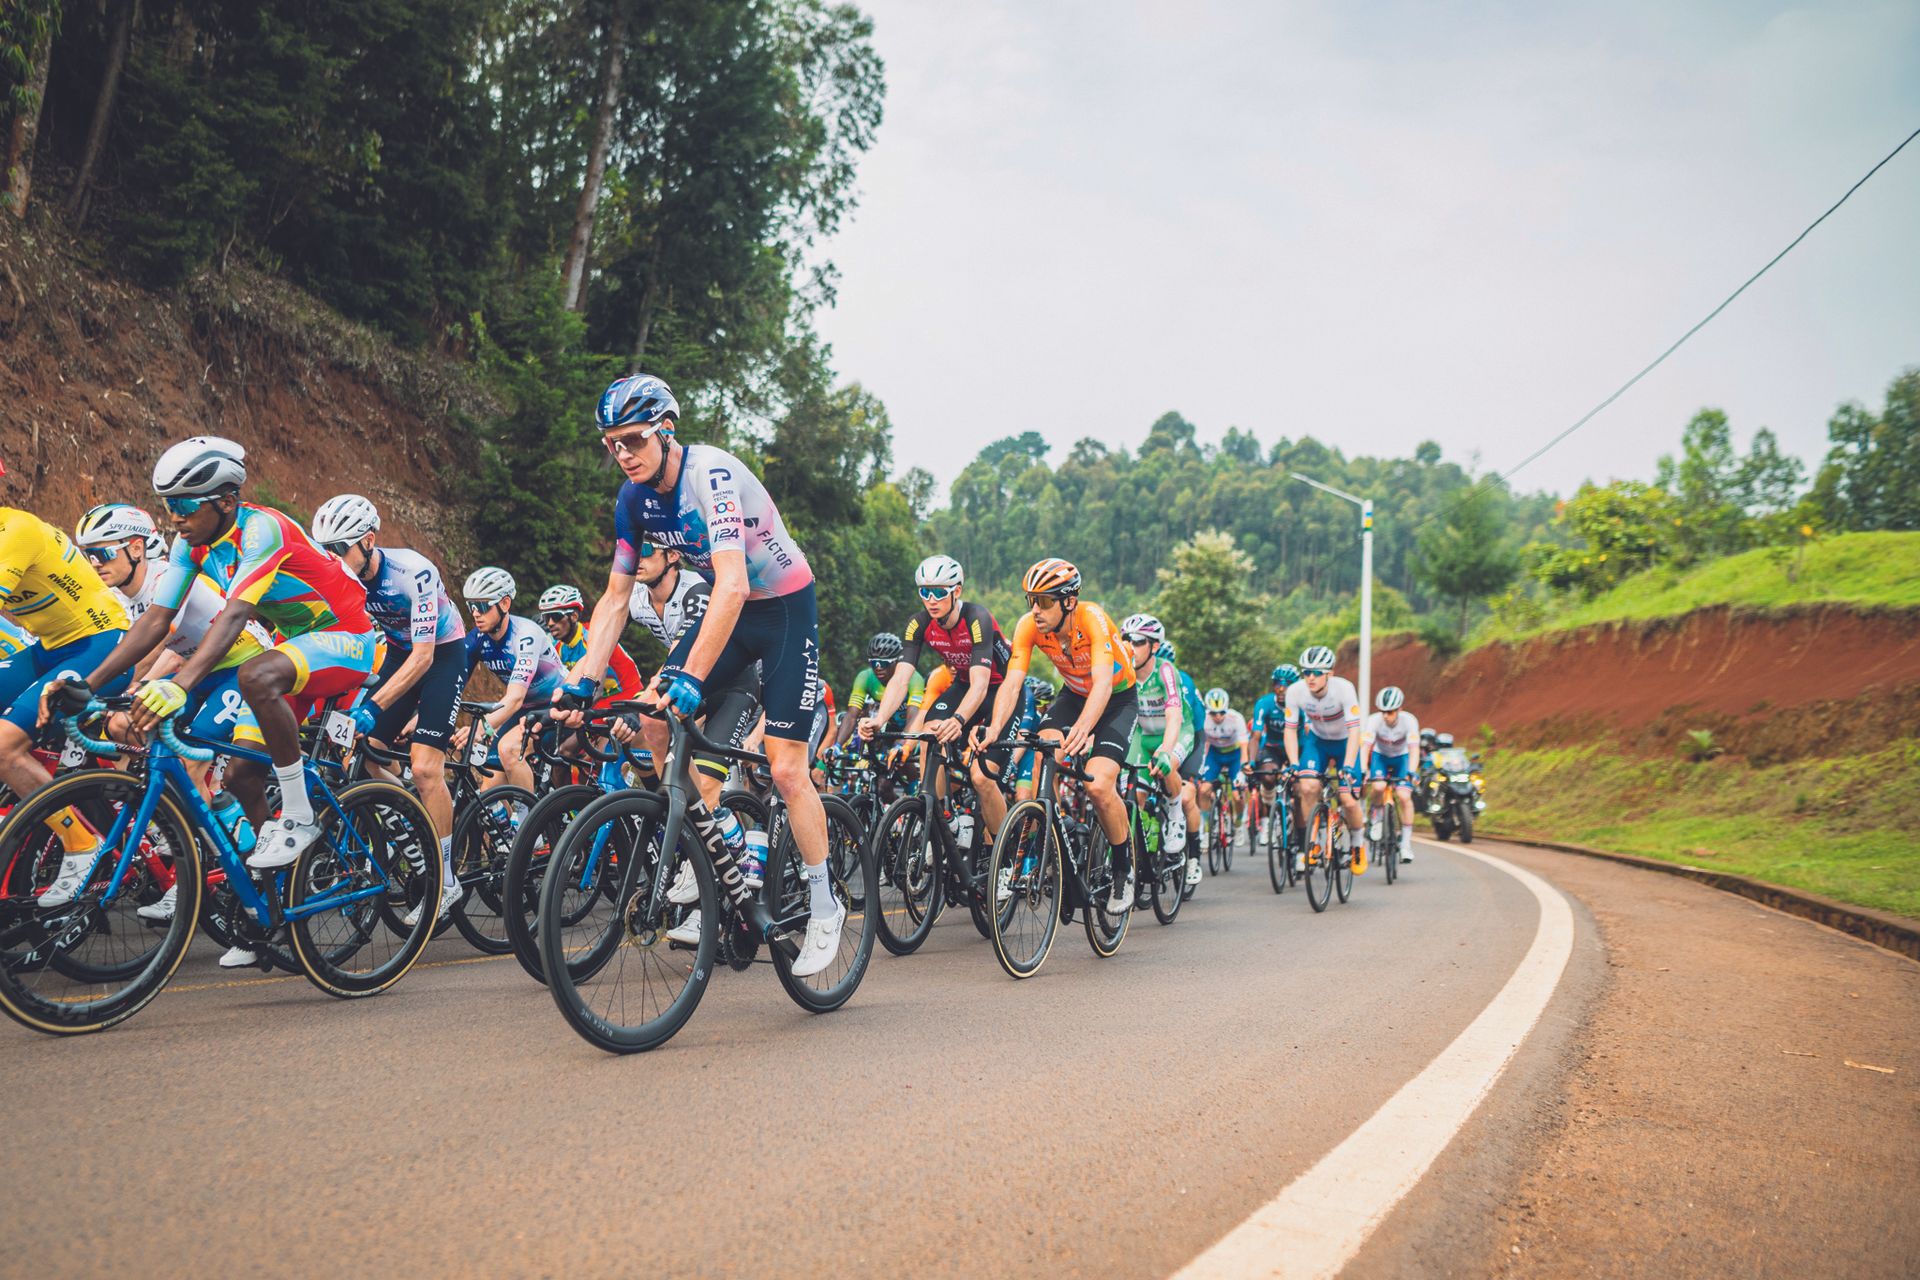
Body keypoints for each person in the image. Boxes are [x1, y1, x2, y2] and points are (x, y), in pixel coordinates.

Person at [563, 373, 845, 977]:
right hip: (733, 610)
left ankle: (825, 905)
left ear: (666, 431)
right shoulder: (632, 500)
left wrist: (691, 675)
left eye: (633, 440)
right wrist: (583, 680)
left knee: (788, 767)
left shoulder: (709, 474)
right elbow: (613, 600)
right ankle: (721, 840)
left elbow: (735, 581)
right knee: (653, 720)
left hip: (782, 609)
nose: (623, 454)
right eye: (611, 443)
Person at [62, 440, 382, 878]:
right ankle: (272, 903)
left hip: (347, 637)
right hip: (297, 645)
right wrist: (89, 685)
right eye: (168, 505)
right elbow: (156, 621)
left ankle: (299, 813)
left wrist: (179, 684)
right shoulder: (189, 544)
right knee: (239, 776)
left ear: (227, 500)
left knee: (255, 673)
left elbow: (234, 615)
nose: (175, 516)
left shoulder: (262, 530)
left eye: (185, 505)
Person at [577, 536, 765, 946]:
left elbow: (683, 650)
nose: (636, 561)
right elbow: (601, 640)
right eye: (632, 552)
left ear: (672, 557)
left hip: (734, 685)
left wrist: (647, 695)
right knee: (671, 774)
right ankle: (689, 839)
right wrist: (576, 689)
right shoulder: (641, 600)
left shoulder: (696, 589)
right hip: (690, 684)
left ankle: (738, 864)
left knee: (708, 789)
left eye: (646, 552)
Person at [310, 493, 468, 920]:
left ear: (368, 541)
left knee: (425, 767)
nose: (333, 560)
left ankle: (446, 880)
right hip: (399, 654)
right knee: (361, 753)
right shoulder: (340, 577)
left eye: (340, 549)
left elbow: (423, 657)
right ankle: (412, 815)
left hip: (443, 654)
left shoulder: (411, 572)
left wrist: (371, 706)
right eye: (326, 551)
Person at [976, 558, 1138, 913]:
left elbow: (1104, 685)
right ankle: (1053, 834)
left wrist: (1083, 729)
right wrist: (994, 728)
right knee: (1041, 760)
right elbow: (1012, 683)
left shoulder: (1092, 619)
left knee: (1097, 786)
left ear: (1068, 601)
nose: (1035, 609)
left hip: (1115, 700)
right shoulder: (1028, 626)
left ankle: (1124, 870)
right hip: (1072, 696)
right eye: (1030, 599)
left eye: (1044, 601)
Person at [0, 478, 133, 906]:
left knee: (4, 747)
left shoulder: (14, 531)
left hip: (101, 641)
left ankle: (80, 844)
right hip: (50, 649)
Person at [861, 553, 1014, 834]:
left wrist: (957, 719)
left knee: (981, 779)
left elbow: (982, 684)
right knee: (928, 733)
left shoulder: (977, 618)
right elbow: (901, 679)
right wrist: (879, 719)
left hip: (1002, 690)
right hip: (965, 685)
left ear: (956, 591)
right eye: (925, 592)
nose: (931, 599)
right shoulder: (919, 624)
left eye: (939, 593)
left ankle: (1005, 858)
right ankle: (943, 820)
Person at [457, 566, 565, 793]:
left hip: (557, 707)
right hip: (525, 710)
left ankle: (529, 824)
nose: (476, 613)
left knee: (509, 750)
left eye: (483, 605)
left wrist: (482, 728)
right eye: (471, 606)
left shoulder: (526, 634)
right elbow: (452, 684)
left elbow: (515, 697)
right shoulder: (478, 638)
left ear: (504, 604)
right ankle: (506, 828)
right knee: (490, 792)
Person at [1118, 613, 1200, 890]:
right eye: (1125, 639)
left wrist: (1166, 750)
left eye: (1138, 641)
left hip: (1175, 731)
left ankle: (1175, 813)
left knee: (1168, 767)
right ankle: (1138, 846)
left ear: (1153, 646)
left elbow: (1175, 715)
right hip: (1142, 734)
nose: (1129, 645)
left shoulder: (1165, 671)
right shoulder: (1123, 670)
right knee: (1133, 793)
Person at [1281, 645, 1368, 874]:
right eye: (1306, 672)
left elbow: (1354, 732)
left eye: (1316, 672)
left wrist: (1348, 765)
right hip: (1317, 742)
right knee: (1307, 787)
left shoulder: (1344, 690)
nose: (1310, 677)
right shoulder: (1295, 691)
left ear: (1329, 673)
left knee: (1348, 800)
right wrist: (1293, 763)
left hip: (1344, 744)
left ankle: (1358, 844)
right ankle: (1313, 840)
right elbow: (1290, 730)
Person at [538, 583, 642, 706]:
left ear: (574, 616)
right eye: (546, 618)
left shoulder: (592, 636)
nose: (550, 623)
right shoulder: (557, 647)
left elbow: (594, 694)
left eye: (555, 616)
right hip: (600, 694)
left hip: (624, 693)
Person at [1363, 685, 1421, 865]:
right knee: (1379, 786)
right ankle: (1376, 817)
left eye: (1390, 712)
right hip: (1381, 756)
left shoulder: (1409, 721)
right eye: (1383, 712)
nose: (1386, 716)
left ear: (1399, 709)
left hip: (1401, 758)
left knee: (1404, 796)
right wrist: (1363, 769)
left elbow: (1414, 750)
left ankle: (1405, 844)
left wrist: (1411, 771)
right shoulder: (1374, 720)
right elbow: (1365, 747)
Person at [1197, 686, 1250, 827]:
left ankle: (1238, 822)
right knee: (1203, 790)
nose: (1218, 716)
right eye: (1214, 713)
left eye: (1221, 712)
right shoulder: (1203, 719)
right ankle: (1206, 825)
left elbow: (1244, 746)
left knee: (1237, 796)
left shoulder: (1236, 718)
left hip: (1235, 755)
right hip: (1215, 755)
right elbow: (1201, 745)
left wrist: (1243, 769)